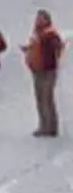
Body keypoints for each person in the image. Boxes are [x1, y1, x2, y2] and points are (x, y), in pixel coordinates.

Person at [25, 8, 63, 138]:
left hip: (47, 71)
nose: (38, 20)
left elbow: (57, 47)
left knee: (47, 99)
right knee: (41, 99)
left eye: (41, 18)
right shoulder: (37, 33)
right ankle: (43, 125)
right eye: (37, 17)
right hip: (37, 70)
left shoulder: (49, 33)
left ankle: (50, 127)